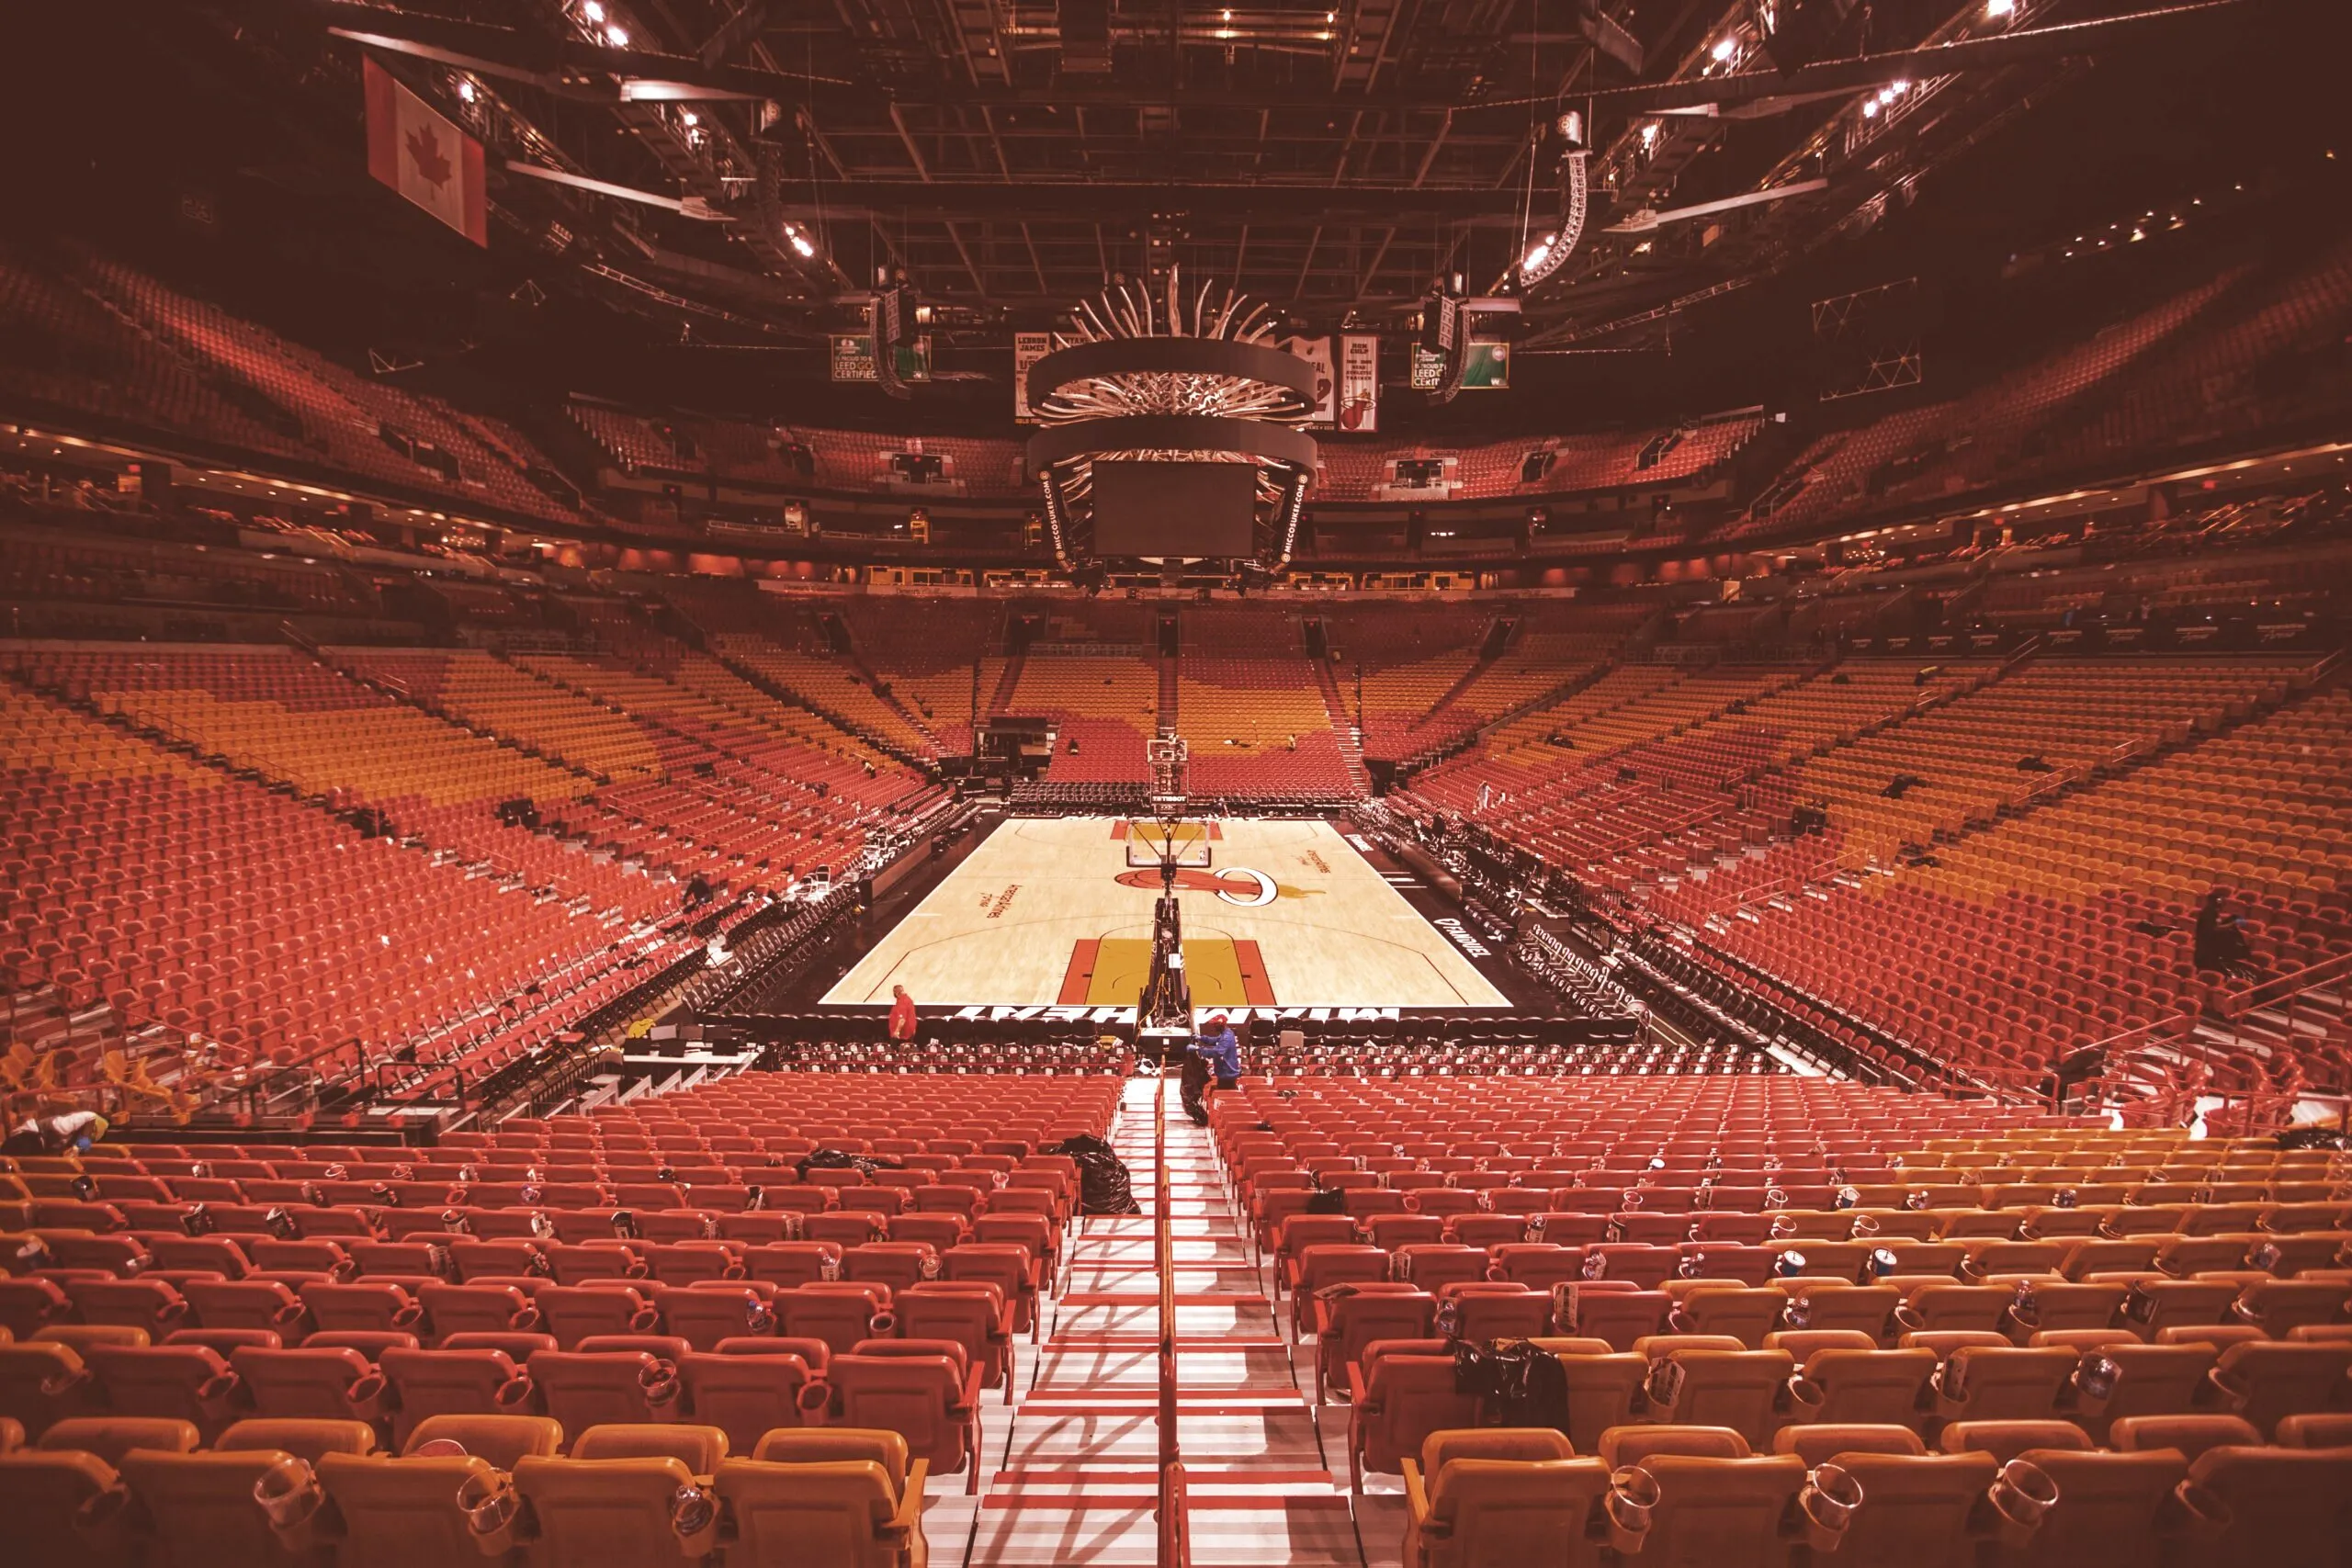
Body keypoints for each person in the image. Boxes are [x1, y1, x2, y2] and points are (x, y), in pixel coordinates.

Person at [1182, 1012, 1241, 1127]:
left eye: (1215, 1025)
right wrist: (1201, 1038)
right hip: (1224, 1073)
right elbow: (1215, 1040)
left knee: (1225, 1099)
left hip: (1227, 1074)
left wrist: (1198, 1049)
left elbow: (1218, 1051)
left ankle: (1226, 1121)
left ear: (1221, 1025)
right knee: (1221, 1096)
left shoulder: (1227, 1037)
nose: (1213, 1027)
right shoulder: (1225, 1034)